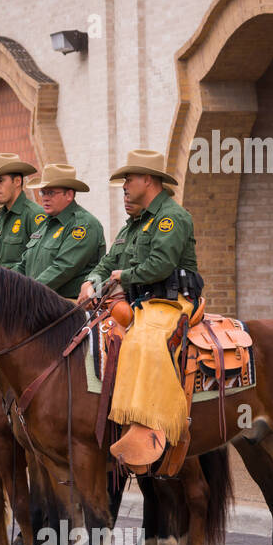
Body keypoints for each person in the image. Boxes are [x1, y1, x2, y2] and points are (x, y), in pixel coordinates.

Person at [78, 149, 200, 471]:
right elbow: (106, 264)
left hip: (171, 301)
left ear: (148, 180)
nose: (124, 186)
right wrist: (92, 282)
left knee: (145, 341)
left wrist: (123, 277)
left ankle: (151, 427)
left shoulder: (171, 217)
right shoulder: (133, 225)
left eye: (129, 179)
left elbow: (160, 265)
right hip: (140, 302)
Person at [12, 164, 104, 298]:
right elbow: (24, 264)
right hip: (40, 303)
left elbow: (63, 268)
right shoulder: (45, 224)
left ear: (69, 195)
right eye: (43, 192)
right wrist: (4, 283)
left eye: (51, 193)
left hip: (71, 308)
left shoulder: (84, 225)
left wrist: (27, 291)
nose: (45, 198)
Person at [0, 153, 45, 269]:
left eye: (0, 181)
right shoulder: (1, 219)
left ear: (17, 181)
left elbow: (39, 262)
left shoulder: (34, 215)